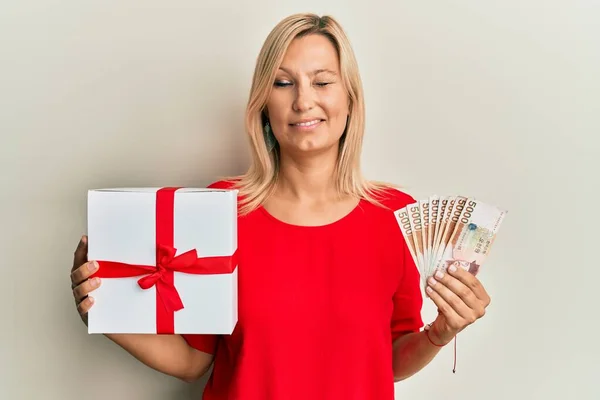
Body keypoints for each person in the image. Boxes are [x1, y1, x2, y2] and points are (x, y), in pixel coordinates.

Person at [70, 13, 491, 400]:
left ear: (351, 98)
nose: (303, 101)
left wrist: (441, 331)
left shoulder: (397, 216)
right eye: (283, 82)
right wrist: (102, 313)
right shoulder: (220, 209)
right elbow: (192, 361)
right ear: (263, 104)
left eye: (322, 82)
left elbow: (391, 361)